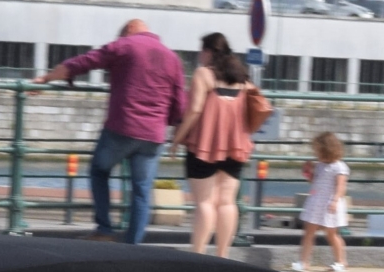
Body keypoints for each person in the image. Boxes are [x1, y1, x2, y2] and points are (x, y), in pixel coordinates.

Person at [32, 18, 185, 244]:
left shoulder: (124, 45)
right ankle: (133, 245)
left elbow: (82, 63)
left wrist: (45, 78)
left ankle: (105, 229)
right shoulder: (172, 58)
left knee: (99, 170)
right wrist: (169, 124)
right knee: (141, 191)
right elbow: (180, 103)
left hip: (123, 127)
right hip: (154, 135)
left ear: (129, 30)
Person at [174, 32, 265, 258]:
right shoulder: (242, 77)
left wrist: (177, 139)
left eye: (201, 51)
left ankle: (198, 254)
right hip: (235, 146)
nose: (199, 56)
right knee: (226, 202)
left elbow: (194, 110)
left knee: (205, 202)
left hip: (203, 146)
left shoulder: (203, 74)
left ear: (208, 52)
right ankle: (222, 255)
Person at [294, 130, 351, 272]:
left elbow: (341, 186)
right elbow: (316, 182)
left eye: (318, 150)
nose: (316, 153)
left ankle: (341, 261)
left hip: (330, 202)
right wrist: (308, 173)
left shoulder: (339, 166)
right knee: (309, 232)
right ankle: (304, 261)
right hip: (316, 200)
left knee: (331, 234)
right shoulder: (319, 165)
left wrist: (335, 200)